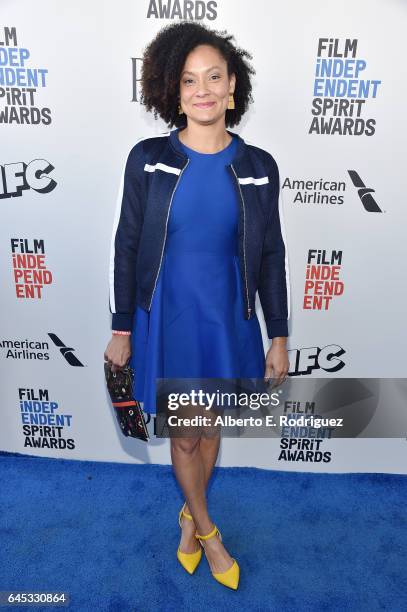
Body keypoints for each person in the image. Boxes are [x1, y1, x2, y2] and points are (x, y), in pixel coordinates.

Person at [104, 21, 290, 590]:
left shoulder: (259, 167)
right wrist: (121, 328)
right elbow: (128, 242)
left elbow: (272, 254)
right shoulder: (148, 159)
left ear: (233, 86)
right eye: (189, 80)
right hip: (167, 317)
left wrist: (278, 334)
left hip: (226, 319)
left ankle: (188, 516)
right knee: (186, 434)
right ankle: (208, 534)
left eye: (214, 77)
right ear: (172, 90)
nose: (202, 89)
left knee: (211, 432)